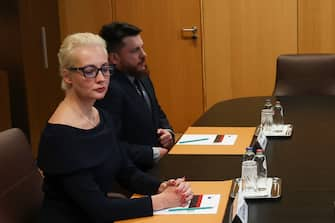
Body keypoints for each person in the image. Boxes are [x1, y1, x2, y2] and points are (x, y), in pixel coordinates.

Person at [37, 32, 193, 223]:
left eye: (105, 68)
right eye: (89, 71)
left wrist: (161, 187)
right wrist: (162, 201)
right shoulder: (60, 136)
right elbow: (99, 209)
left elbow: (125, 170)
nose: (101, 78)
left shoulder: (101, 116)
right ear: (67, 76)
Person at [95, 22, 174, 170]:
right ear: (114, 58)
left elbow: (157, 111)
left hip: (157, 162)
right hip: (131, 171)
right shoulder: (109, 90)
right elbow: (112, 144)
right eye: (135, 50)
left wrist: (167, 132)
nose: (144, 55)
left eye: (142, 47)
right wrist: (151, 153)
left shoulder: (141, 75)